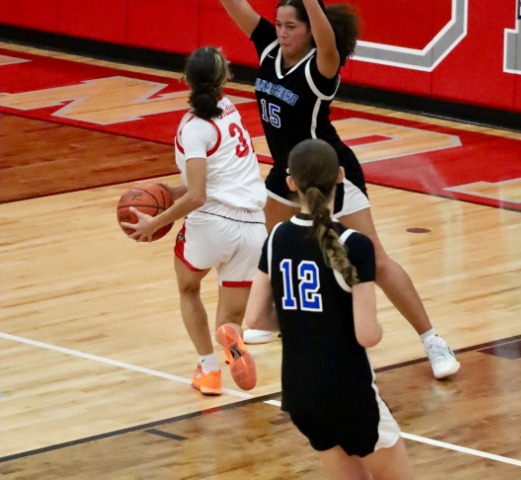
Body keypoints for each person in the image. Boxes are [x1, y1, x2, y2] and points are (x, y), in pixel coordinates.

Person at [218, 0, 460, 379]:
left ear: (310, 30)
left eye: (291, 26)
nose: (281, 32)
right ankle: (280, 317)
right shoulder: (269, 47)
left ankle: (432, 340)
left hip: (330, 171)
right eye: (278, 24)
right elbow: (235, 6)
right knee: (274, 248)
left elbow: (326, 39)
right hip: (287, 171)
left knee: (376, 259)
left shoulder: (321, 66)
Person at [244, 139, 415, 480]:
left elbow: (254, 320)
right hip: (348, 392)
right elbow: (367, 335)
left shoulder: (276, 237)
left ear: (290, 182)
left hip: (299, 393)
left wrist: (302, 318)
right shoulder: (354, 245)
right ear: (339, 176)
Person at [121, 46, 262, 395]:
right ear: (225, 78)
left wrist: (156, 222)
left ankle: (209, 371)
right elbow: (216, 177)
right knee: (229, 319)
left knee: (188, 287)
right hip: (253, 227)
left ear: (185, 79)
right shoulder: (231, 111)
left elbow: (198, 196)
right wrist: (172, 190)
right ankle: (232, 340)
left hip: (213, 222)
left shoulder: (194, 128)